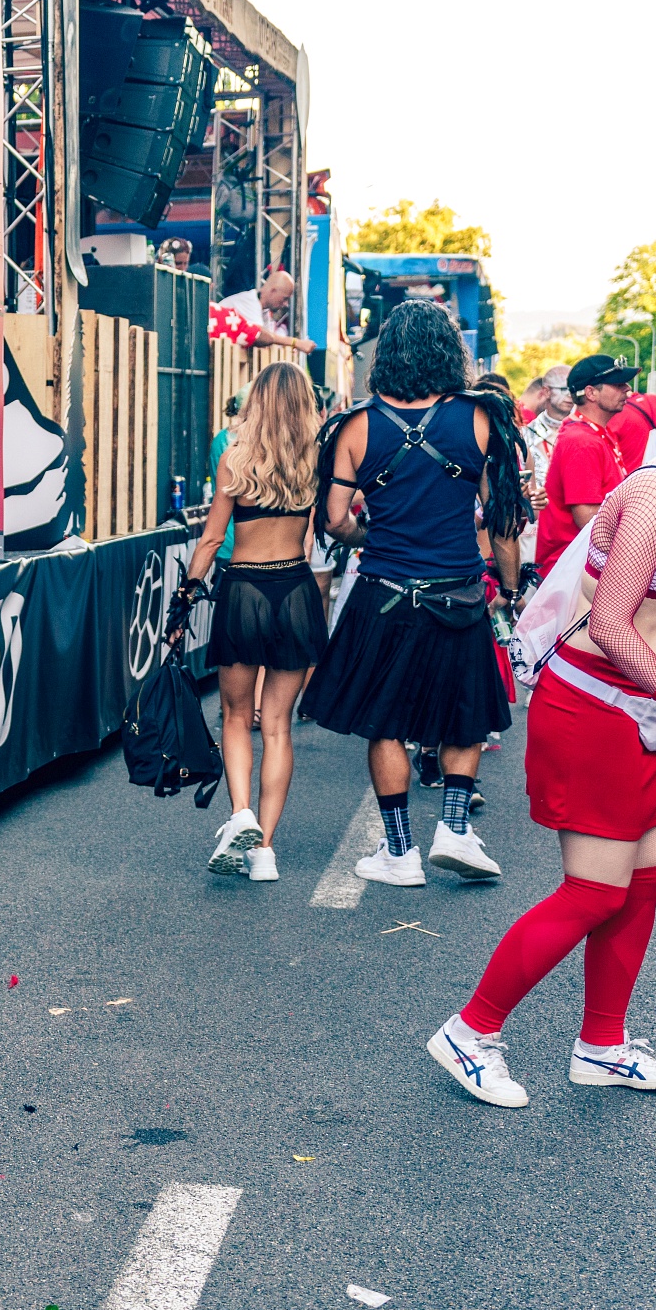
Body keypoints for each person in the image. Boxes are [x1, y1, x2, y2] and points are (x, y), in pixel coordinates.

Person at [425, 342, 656, 1107]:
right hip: (595, 707)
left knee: (644, 884)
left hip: (646, 709)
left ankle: (602, 1044)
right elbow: (615, 624)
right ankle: (469, 1033)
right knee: (593, 892)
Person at [306, 300, 531, 886]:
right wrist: (509, 588)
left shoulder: (355, 425)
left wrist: (369, 534)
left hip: (382, 592)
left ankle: (400, 853)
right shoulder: (480, 419)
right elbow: (503, 519)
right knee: (465, 716)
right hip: (458, 594)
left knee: (385, 722)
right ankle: (454, 829)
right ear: (447, 352)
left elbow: (333, 519)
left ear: (388, 354)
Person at [177, 363, 327, 882]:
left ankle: (239, 812)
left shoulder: (235, 461)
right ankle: (264, 849)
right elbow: (333, 524)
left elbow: (212, 541)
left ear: (256, 401)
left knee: (236, 717)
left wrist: (183, 598)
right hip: (297, 591)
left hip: (244, 591)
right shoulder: (317, 460)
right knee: (279, 725)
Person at [535, 362, 626, 587]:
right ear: (590, 392)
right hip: (574, 573)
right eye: (617, 384)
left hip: (585, 567)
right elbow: (587, 518)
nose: (627, 389)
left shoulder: (596, 433)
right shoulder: (581, 441)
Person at [215, 270, 319, 356]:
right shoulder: (247, 302)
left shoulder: (262, 310)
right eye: (284, 298)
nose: (286, 304)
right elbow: (261, 336)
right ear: (273, 290)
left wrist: (286, 348)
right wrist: (296, 343)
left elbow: (270, 342)